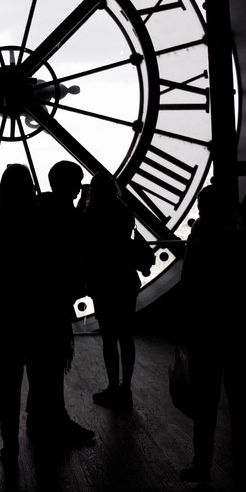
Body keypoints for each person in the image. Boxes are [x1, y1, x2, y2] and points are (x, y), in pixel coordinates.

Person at [178, 183, 246, 483]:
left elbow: (189, 282)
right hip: (235, 328)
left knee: (205, 401)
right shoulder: (242, 238)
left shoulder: (197, 237)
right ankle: (241, 462)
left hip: (204, 329)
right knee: (239, 400)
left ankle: (202, 463)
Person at [27, 160, 94, 446]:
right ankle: (55, 417)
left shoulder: (40, 210)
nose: (79, 188)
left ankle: (39, 416)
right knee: (53, 362)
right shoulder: (68, 215)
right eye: (77, 183)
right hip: (56, 300)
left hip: (39, 299)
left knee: (40, 361)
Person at [0, 164, 40, 467]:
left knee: (8, 378)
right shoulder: (40, 221)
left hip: (3, 302)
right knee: (40, 372)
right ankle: (39, 424)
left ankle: (10, 441)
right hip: (36, 302)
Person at [82, 171, 138, 410]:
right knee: (126, 335)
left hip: (103, 281)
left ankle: (113, 385)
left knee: (109, 337)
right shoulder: (124, 211)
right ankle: (126, 387)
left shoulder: (92, 213)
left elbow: (85, 240)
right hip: (125, 279)